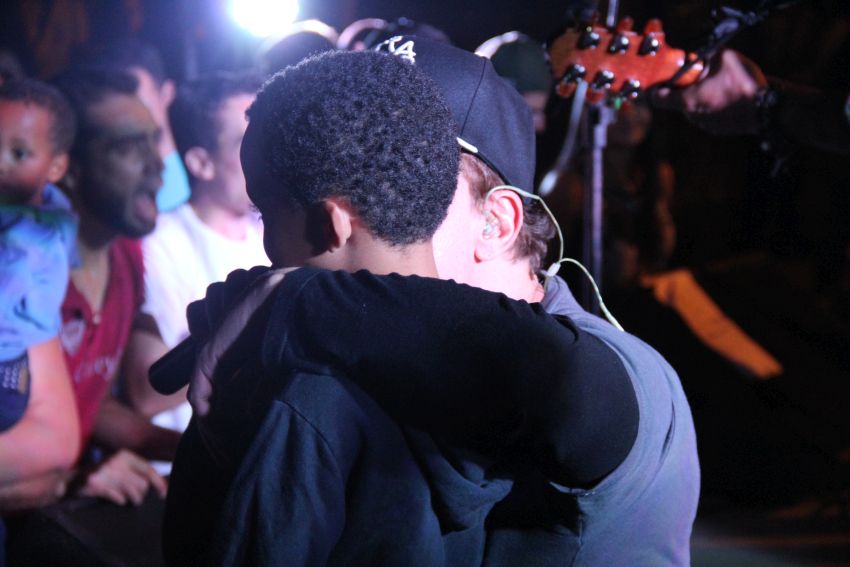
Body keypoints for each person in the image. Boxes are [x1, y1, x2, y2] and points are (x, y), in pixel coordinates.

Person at [163, 39, 698, 565]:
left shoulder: (632, 372)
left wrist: (301, 299)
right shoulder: (353, 361)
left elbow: (573, 394)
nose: (393, 199)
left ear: (497, 222)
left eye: (420, 170)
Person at [123, 71, 268, 448]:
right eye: (247, 142)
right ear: (202, 163)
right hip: (184, 463)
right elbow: (147, 391)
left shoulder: (274, 232)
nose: (267, 154)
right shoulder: (159, 245)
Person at [0, 78, 81, 563]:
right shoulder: (47, 216)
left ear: (56, 166)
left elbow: (54, 446)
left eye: (17, 153)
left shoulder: (27, 238)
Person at [87, 39, 192, 211]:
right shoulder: (106, 187)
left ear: (166, 93)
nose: (130, 113)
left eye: (138, 99)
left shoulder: (200, 169)